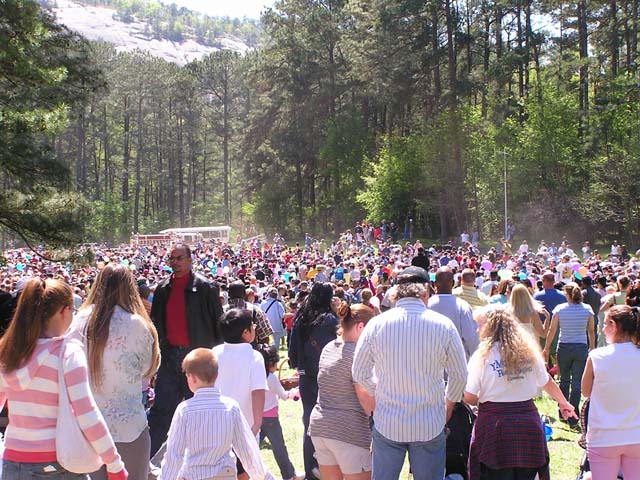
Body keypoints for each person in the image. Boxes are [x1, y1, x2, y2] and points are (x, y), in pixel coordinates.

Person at [0, 278, 128, 480]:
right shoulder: (67, 353)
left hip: (12, 462)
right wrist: (113, 462)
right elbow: (87, 413)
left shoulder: (9, 353)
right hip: (56, 462)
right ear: (64, 311)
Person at [352, 266, 467, 480]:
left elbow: (359, 373)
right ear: (426, 291)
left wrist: (379, 392)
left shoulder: (376, 324)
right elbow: (460, 375)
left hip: (388, 421)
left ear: (396, 291)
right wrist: (448, 406)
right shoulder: (444, 325)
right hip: (429, 422)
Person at [70, 264, 161, 480]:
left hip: (87, 426)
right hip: (129, 425)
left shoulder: (78, 321)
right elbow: (147, 368)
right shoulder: (138, 324)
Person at [464, 307, 577, 480]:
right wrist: (564, 403)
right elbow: (546, 381)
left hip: (494, 426)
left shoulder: (482, 356)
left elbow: (469, 395)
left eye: (480, 325)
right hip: (527, 424)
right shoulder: (528, 351)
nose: (478, 330)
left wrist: (483, 401)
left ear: (490, 327)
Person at [148, 244, 224, 457]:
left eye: (179, 258)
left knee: (202, 413)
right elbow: (155, 325)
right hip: (170, 358)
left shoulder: (206, 288)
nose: (175, 262)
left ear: (190, 260)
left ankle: (207, 461)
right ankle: (143, 463)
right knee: (160, 413)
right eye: (172, 258)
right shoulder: (162, 289)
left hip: (199, 359)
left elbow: (218, 324)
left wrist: (216, 358)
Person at [159, 348, 274, 480]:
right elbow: (246, 450)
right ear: (217, 375)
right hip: (225, 475)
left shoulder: (184, 410)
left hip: (193, 476)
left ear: (192, 377)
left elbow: (174, 455)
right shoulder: (231, 408)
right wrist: (265, 477)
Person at [309, 302, 376, 480]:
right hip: (349, 430)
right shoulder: (358, 354)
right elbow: (364, 395)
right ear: (360, 327)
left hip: (321, 426)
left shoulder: (329, 347)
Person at [581, 305, 640, 480]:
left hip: (603, 437)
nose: (602, 329)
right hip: (636, 435)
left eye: (605, 324)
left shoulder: (597, 356)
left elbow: (586, 391)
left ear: (614, 325)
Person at [288, 282, 339, 480]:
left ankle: (311, 470)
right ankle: (330, 469)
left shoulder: (301, 318)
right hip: (329, 377)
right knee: (332, 424)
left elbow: (292, 354)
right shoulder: (330, 320)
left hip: (306, 377)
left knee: (309, 424)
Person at [213, 309, 268, 480]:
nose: (255, 327)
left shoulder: (214, 352)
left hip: (217, 424)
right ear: (245, 332)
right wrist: (257, 423)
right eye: (252, 325)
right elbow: (258, 391)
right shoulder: (254, 356)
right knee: (244, 471)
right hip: (245, 425)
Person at [543, 282, 595, 427]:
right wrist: (592, 347)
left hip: (564, 347)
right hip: (581, 347)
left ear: (567, 294)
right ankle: (574, 414)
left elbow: (552, 330)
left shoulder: (560, 309)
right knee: (577, 382)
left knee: (564, 380)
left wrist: (546, 347)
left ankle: (563, 410)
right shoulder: (587, 309)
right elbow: (591, 330)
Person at [258, 345, 302, 480]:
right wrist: (295, 393)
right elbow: (284, 395)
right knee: (279, 448)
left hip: (256, 417)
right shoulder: (271, 378)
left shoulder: (255, 376)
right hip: (271, 420)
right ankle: (289, 475)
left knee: (251, 447)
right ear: (271, 363)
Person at [427, 266, 480, 359]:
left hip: (431, 361)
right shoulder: (463, 307)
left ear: (434, 284)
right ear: (453, 283)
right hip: (458, 361)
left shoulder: (426, 306)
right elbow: (472, 340)